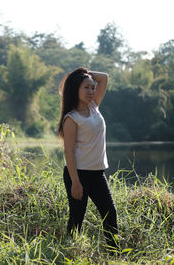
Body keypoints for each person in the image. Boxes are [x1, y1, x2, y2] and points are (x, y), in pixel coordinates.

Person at [57, 67, 118, 249]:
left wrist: (84, 72)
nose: (91, 91)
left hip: (98, 174)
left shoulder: (94, 107)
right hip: (79, 175)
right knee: (77, 219)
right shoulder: (71, 118)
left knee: (110, 213)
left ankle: (115, 254)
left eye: (92, 88)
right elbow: (69, 152)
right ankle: (69, 253)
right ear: (75, 90)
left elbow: (104, 78)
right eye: (86, 88)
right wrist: (76, 182)